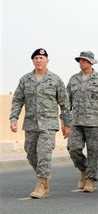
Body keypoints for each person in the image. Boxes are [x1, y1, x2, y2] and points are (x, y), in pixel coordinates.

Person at [9, 48, 71, 198]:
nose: (38, 60)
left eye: (41, 58)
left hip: (48, 125)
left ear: (47, 61)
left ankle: (41, 185)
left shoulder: (55, 80)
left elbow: (64, 104)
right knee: (31, 154)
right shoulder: (25, 80)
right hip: (30, 124)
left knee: (44, 154)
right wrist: (14, 118)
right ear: (33, 61)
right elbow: (17, 100)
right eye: (36, 58)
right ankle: (44, 176)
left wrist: (66, 124)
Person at [66, 51, 98, 193]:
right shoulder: (73, 79)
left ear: (91, 63)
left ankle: (90, 180)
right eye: (80, 60)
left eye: (85, 61)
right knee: (73, 148)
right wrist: (65, 121)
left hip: (95, 123)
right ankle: (84, 169)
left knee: (93, 152)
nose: (82, 63)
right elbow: (66, 102)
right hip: (76, 122)